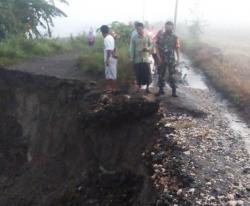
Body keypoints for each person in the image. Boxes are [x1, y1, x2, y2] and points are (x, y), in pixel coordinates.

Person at [156, 21, 180, 97]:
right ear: (165, 27)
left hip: (171, 59)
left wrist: (178, 58)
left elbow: (177, 48)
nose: (168, 28)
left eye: (170, 26)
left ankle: (174, 91)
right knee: (161, 74)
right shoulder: (161, 36)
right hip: (162, 59)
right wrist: (158, 57)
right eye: (167, 26)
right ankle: (161, 90)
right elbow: (156, 47)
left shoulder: (175, 37)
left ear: (172, 27)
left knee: (172, 75)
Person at [130, 23, 152, 93]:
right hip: (137, 59)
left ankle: (147, 88)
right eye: (137, 29)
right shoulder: (134, 38)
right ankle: (139, 87)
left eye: (140, 29)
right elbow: (132, 48)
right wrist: (132, 59)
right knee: (138, 74)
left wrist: (147, 48)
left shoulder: (147, 36)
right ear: (136, 30)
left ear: (143, 28)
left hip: (145, 58)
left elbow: (151, 45)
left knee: (147, 73)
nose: (139, 30)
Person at [100, 25, 117, 93]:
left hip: (109, 59)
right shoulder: (111, 37)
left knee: (111, 74)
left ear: (102, 32)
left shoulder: (106, 39)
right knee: (109, 74)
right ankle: (110, 88)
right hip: (112, 58)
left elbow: (109, 50)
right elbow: (114, 48)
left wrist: (107, 60)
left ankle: (113, 89)